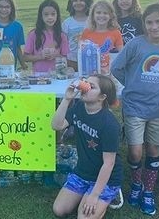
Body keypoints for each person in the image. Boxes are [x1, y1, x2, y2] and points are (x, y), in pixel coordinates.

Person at [110, 3, 159, 216]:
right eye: (149, 22)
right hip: (134, 107)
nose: (154, 26)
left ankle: (148, 191)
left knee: (153, 149)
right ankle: (136, 184)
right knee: (136, 151)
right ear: (144, 24)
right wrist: (131, 85)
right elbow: (116, 68)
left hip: (157, 108)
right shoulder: (135, 45)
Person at [51, 75, 124, 219]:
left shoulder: (109, 124)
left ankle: (109, 194)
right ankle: (88, 196)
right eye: (86, 83)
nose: (85, 87)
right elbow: (56, 125)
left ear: (102, 97)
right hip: (82, 172)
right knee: (59, 210)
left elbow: (109, 164)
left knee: (83, 217)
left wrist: (94, 195)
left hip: (106, 177)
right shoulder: (79, 107)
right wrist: (66, 99)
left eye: (92, 86)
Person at [23, 0, 69, 74]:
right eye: (46, 14)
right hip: (38, 77)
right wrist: (41, 56)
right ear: (41, 16)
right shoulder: (33, 34)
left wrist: (56, 56)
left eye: (53, 14)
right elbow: (25, 57)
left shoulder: (62, 36)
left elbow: (65, 58)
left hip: (57, 76)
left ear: (57, 15)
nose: (50, 17)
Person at [80, 0, 124, 75]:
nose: (101, 15)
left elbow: (121, 55)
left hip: (108, 73)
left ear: (110, 16)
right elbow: (81, 54)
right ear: (93, 15)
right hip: (90, 72)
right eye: (98, 12)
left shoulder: (116, 33)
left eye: (105, 13)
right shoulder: (86, 32)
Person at [62, 0, 94, 71]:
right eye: (75, 0)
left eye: (81, 0)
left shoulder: (93, 21)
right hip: (72, 61)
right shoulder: (67, 23)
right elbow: (63, 43)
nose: (78, 3)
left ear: (87, 2)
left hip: (90, 58)